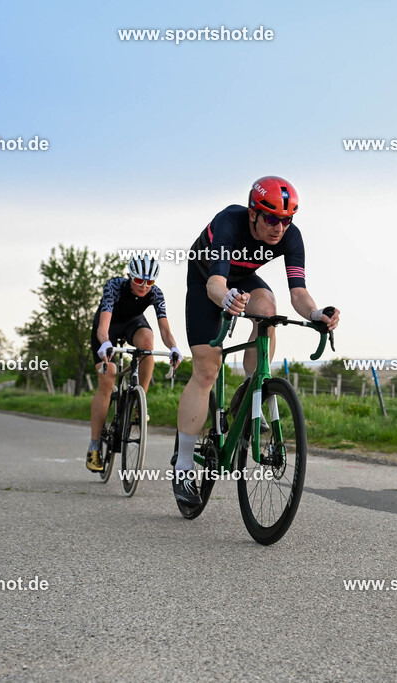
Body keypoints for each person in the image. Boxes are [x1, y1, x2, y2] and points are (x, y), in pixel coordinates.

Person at [173, 176, 339, 504]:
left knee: (268, 308)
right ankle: (182, 467)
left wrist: (316, 313)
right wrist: (227, 300)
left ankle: (253, 388)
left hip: (241, 278)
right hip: (207, 279)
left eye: (287, 219)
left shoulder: (290, 237)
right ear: (253, 213)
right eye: (272, 218)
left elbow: (298, 293)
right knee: (207, 370)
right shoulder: (229, 223)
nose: (279, 227)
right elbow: (215, 285)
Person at [86, 254, 183, 471]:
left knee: (148, 343)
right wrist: (105, 343)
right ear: (130, 276)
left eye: (150, 282)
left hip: (132, 324)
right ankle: (93, 447)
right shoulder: (114, 286)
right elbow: (103, 327)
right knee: (108, 375)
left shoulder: (155, 293)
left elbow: (164, 329)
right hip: (108, 327)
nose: (144, 286)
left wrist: (173, 347)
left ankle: (140, 401)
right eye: (139, 281)